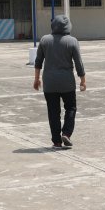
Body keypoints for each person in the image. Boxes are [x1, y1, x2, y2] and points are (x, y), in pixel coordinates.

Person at [33, 15, 86, 149]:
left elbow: (38, 61)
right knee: (71, 108)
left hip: (49, 83)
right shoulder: (72, 41)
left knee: (53, 112)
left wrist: (36, 79)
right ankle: (66, 133)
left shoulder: (45, 40)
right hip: (67, 82)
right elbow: (78, 63)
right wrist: (83, 80)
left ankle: (56, 141)